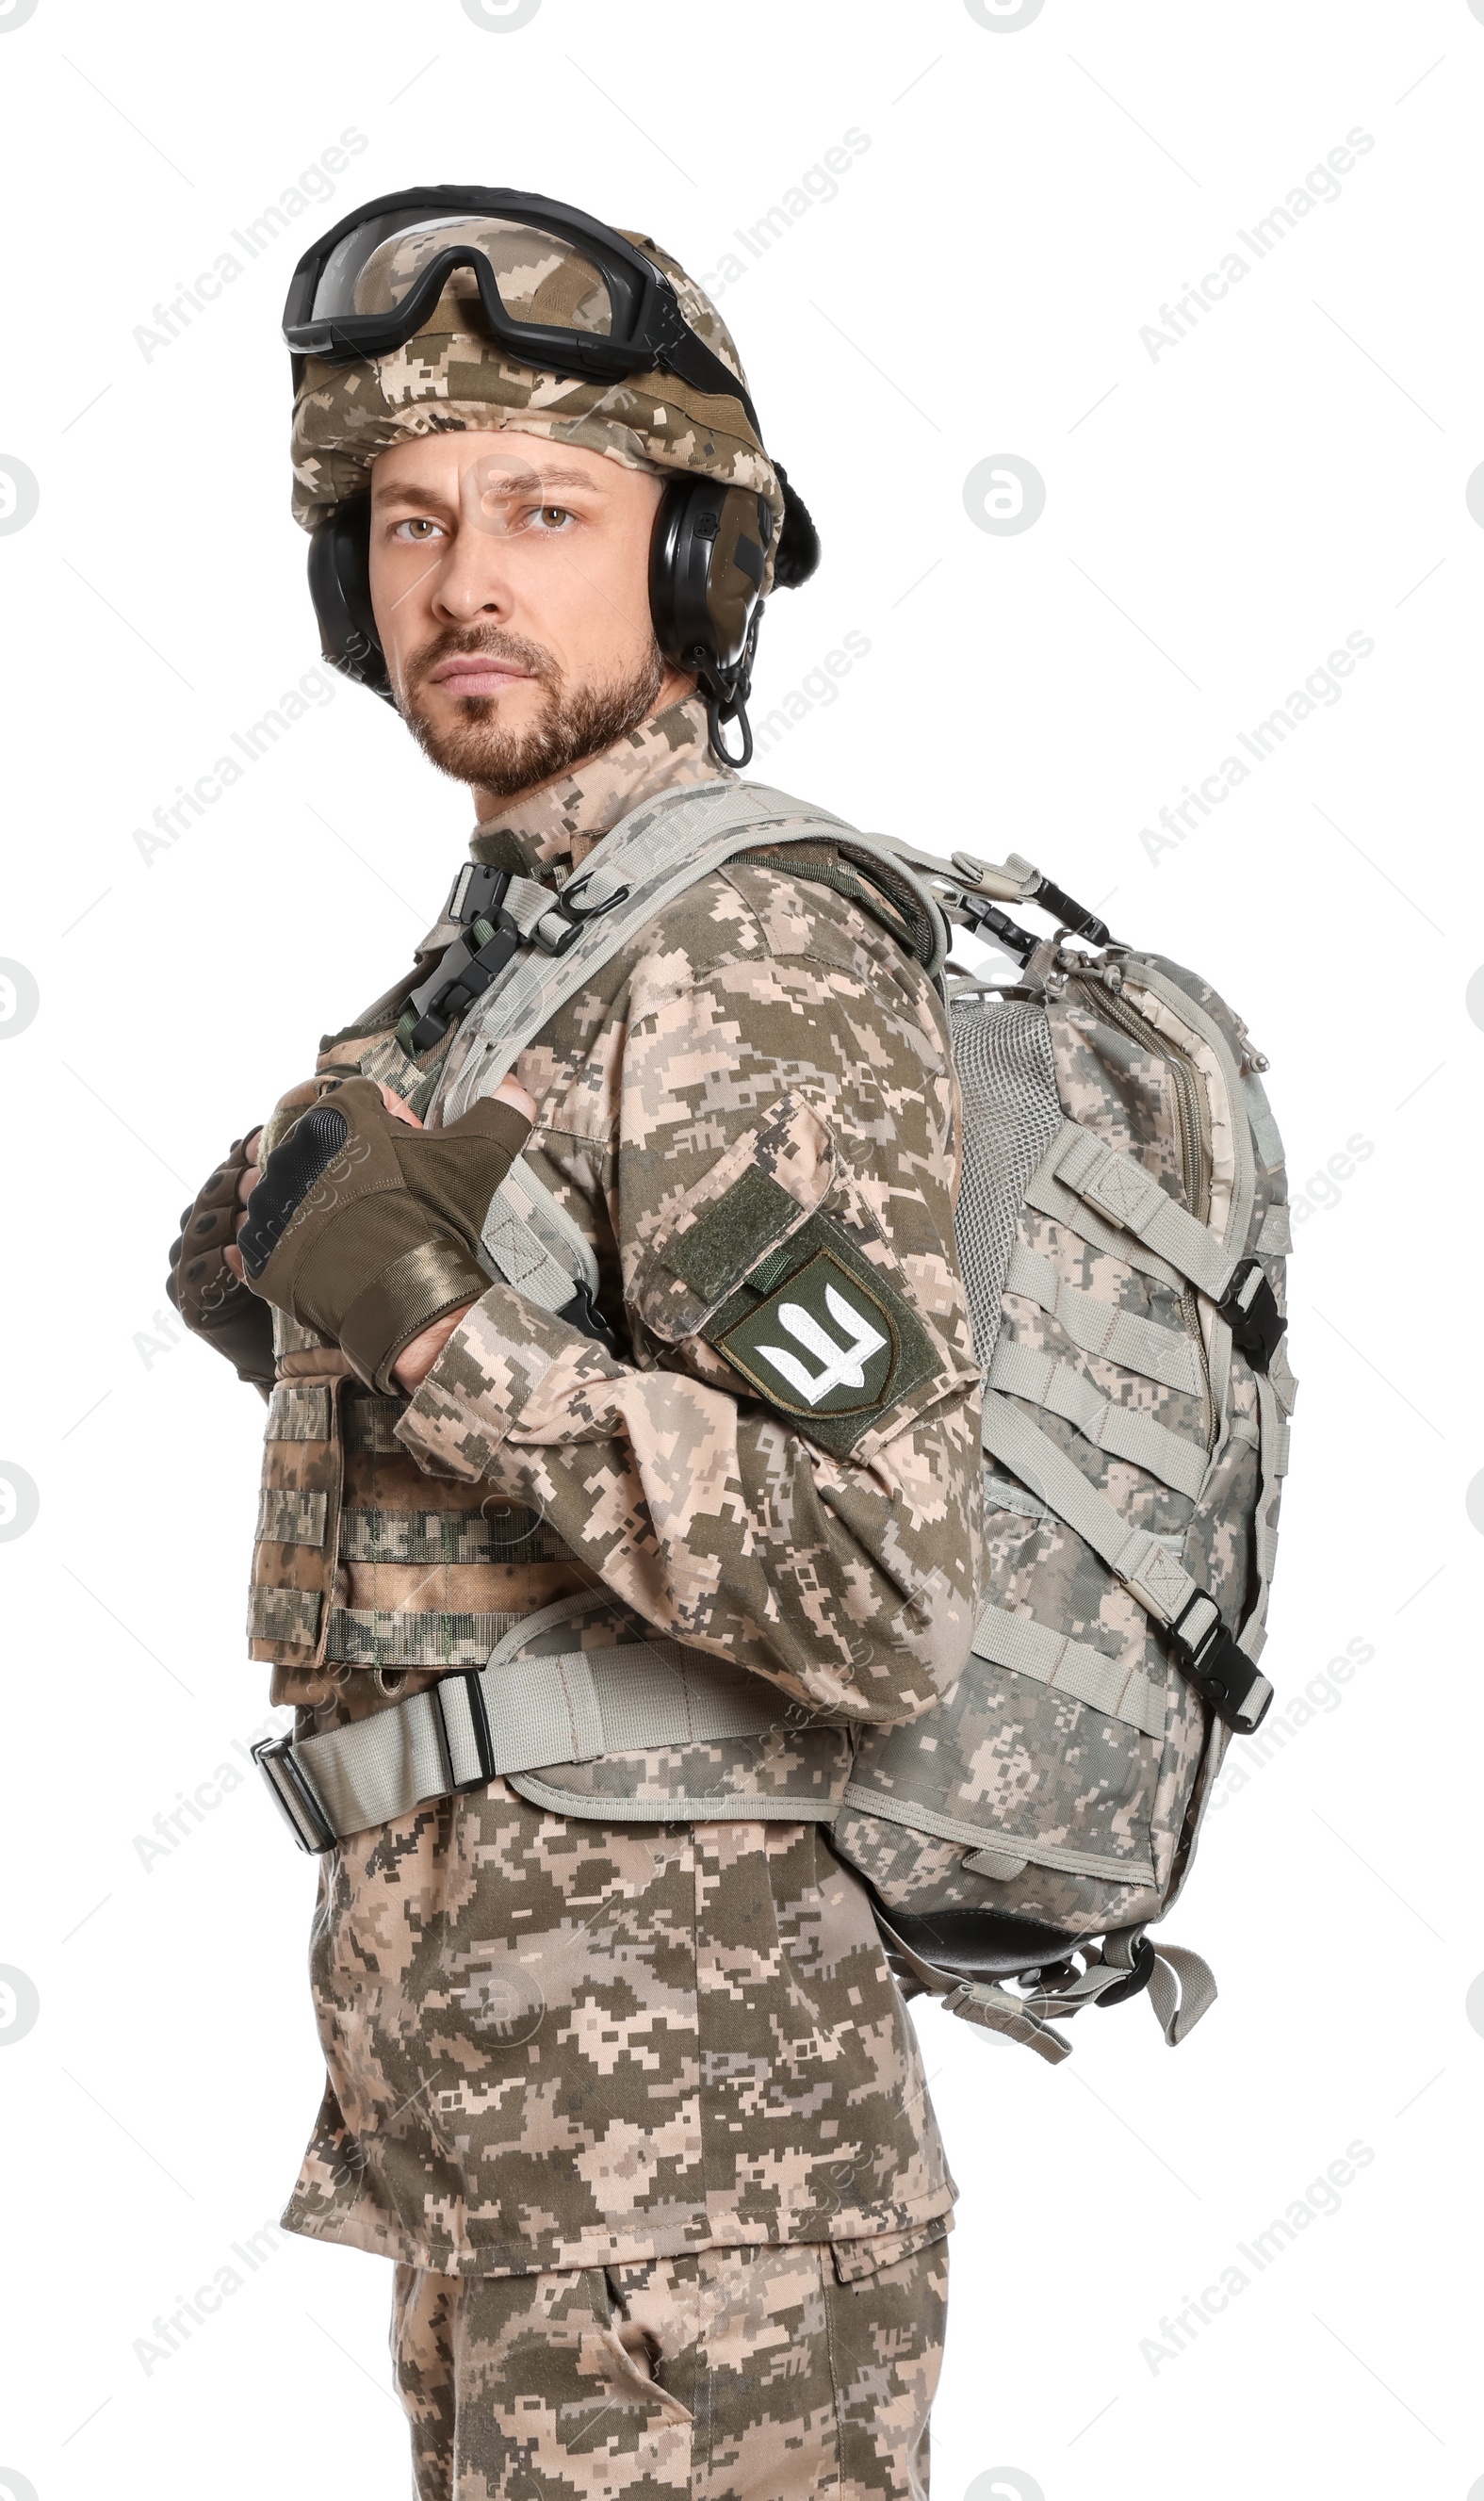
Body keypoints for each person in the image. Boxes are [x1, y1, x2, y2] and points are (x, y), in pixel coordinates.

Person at [167, 190, 983, 2501]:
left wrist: (437, 1329)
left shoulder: (744, 955)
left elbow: (871, 1577)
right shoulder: (505, 952)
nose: (460, 582)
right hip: (510, 2092)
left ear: (697, 570)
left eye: (546, 510)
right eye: (405, 525)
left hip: (691, 2150)